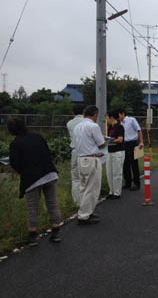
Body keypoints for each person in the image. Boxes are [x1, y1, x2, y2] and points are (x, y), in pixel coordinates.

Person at [8, 117, 62, 245]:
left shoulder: (16, 143)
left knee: (32, 207)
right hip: (50, 174)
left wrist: (24, 172)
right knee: (52, 204)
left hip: (32, 179)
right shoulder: (38, 136)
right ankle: (56, 232)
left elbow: (14, 163)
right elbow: (48, 153)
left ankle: (33, 236)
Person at [73, 105, 105, 225]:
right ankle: (84, 215)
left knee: (83, 187)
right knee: (92, 188)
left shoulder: (77, 127)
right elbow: (101, 143)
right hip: (92, 160)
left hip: (81, 158)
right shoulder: (93, 126)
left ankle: (86, 211)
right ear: (95, 115)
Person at [117, 108, 144, 191]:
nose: (118, 118)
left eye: (118, 115)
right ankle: (128, 182)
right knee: (125, 164)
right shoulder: (119, 123)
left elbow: (139, 130)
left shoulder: (131, 120)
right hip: (124, 144)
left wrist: (141, 142)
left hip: (133, 143)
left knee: (134, 164)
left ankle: (136, 183)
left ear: (122, 113)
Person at [66, 104, 85, 205]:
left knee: (75, 177)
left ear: (73, 113)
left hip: (74, 151)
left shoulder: (69, 123)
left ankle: (76, 201)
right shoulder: (86, 122)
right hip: (85, 152)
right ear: (84, 112)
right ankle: (85, 201)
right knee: (85, 177)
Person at [106, 110, 125, 199]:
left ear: (112, 117)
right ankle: (111, 191)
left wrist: (110, 140)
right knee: (109, 172)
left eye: (107, 117)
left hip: (118, 152)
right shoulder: (110, 128)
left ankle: (117, 192)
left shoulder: (119, 127)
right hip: (109, 151)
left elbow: (120, 139)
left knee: (116, 173)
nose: (106, 120)